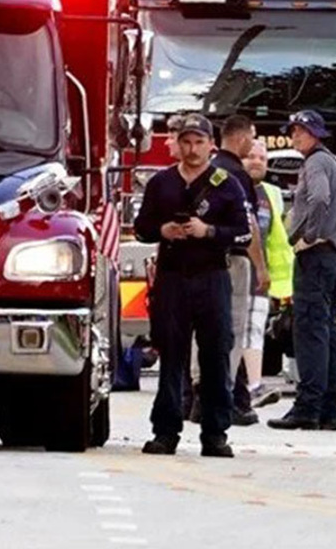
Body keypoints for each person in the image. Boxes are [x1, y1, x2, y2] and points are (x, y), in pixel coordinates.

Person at [133, 113, 250, 457]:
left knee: (215, 355)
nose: (193, 149)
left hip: (212, 276)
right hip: (172, 276)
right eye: (186, 141)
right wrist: (163, 230)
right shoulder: (161, 183)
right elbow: (142, 227)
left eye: (199, 142)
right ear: (177, 144)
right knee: (171, 355)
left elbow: (243, 232)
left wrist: (209, 231)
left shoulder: (227, 183)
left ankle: (215, 433)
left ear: (211, 145)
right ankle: (166, 431)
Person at [269, 110, 336, 431]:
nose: (295, 137)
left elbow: (318, 198)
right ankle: (330, 408)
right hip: (333, 257)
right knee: (328, 331)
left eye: (301, 131)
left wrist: (308, 235)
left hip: (316, 256)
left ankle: (308, 406)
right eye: (293, 131)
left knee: (310, 331)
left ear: (315, 134)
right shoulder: (331, 162)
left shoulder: (316, 163)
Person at [189, 115, 268, 427]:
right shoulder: (237, 175)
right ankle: (222, 399)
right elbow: (248, 227)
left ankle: (197, 395)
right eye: (252, 137)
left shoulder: (205, 171)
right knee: (230, 332)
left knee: (202, 329)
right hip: (232, 260)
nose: (252, 145)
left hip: (201, 260)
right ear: (242, 136)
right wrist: (261, 267)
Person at [243, 139, 293, 408]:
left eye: (262, 158)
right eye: (251, 156)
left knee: (254, 331)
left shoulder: (272, 194)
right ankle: (246, 387)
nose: (257, 162)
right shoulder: (232, 187)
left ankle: (253, 386)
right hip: (236, 273)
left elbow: (278, 238)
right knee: (235, 333)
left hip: (262, 277)